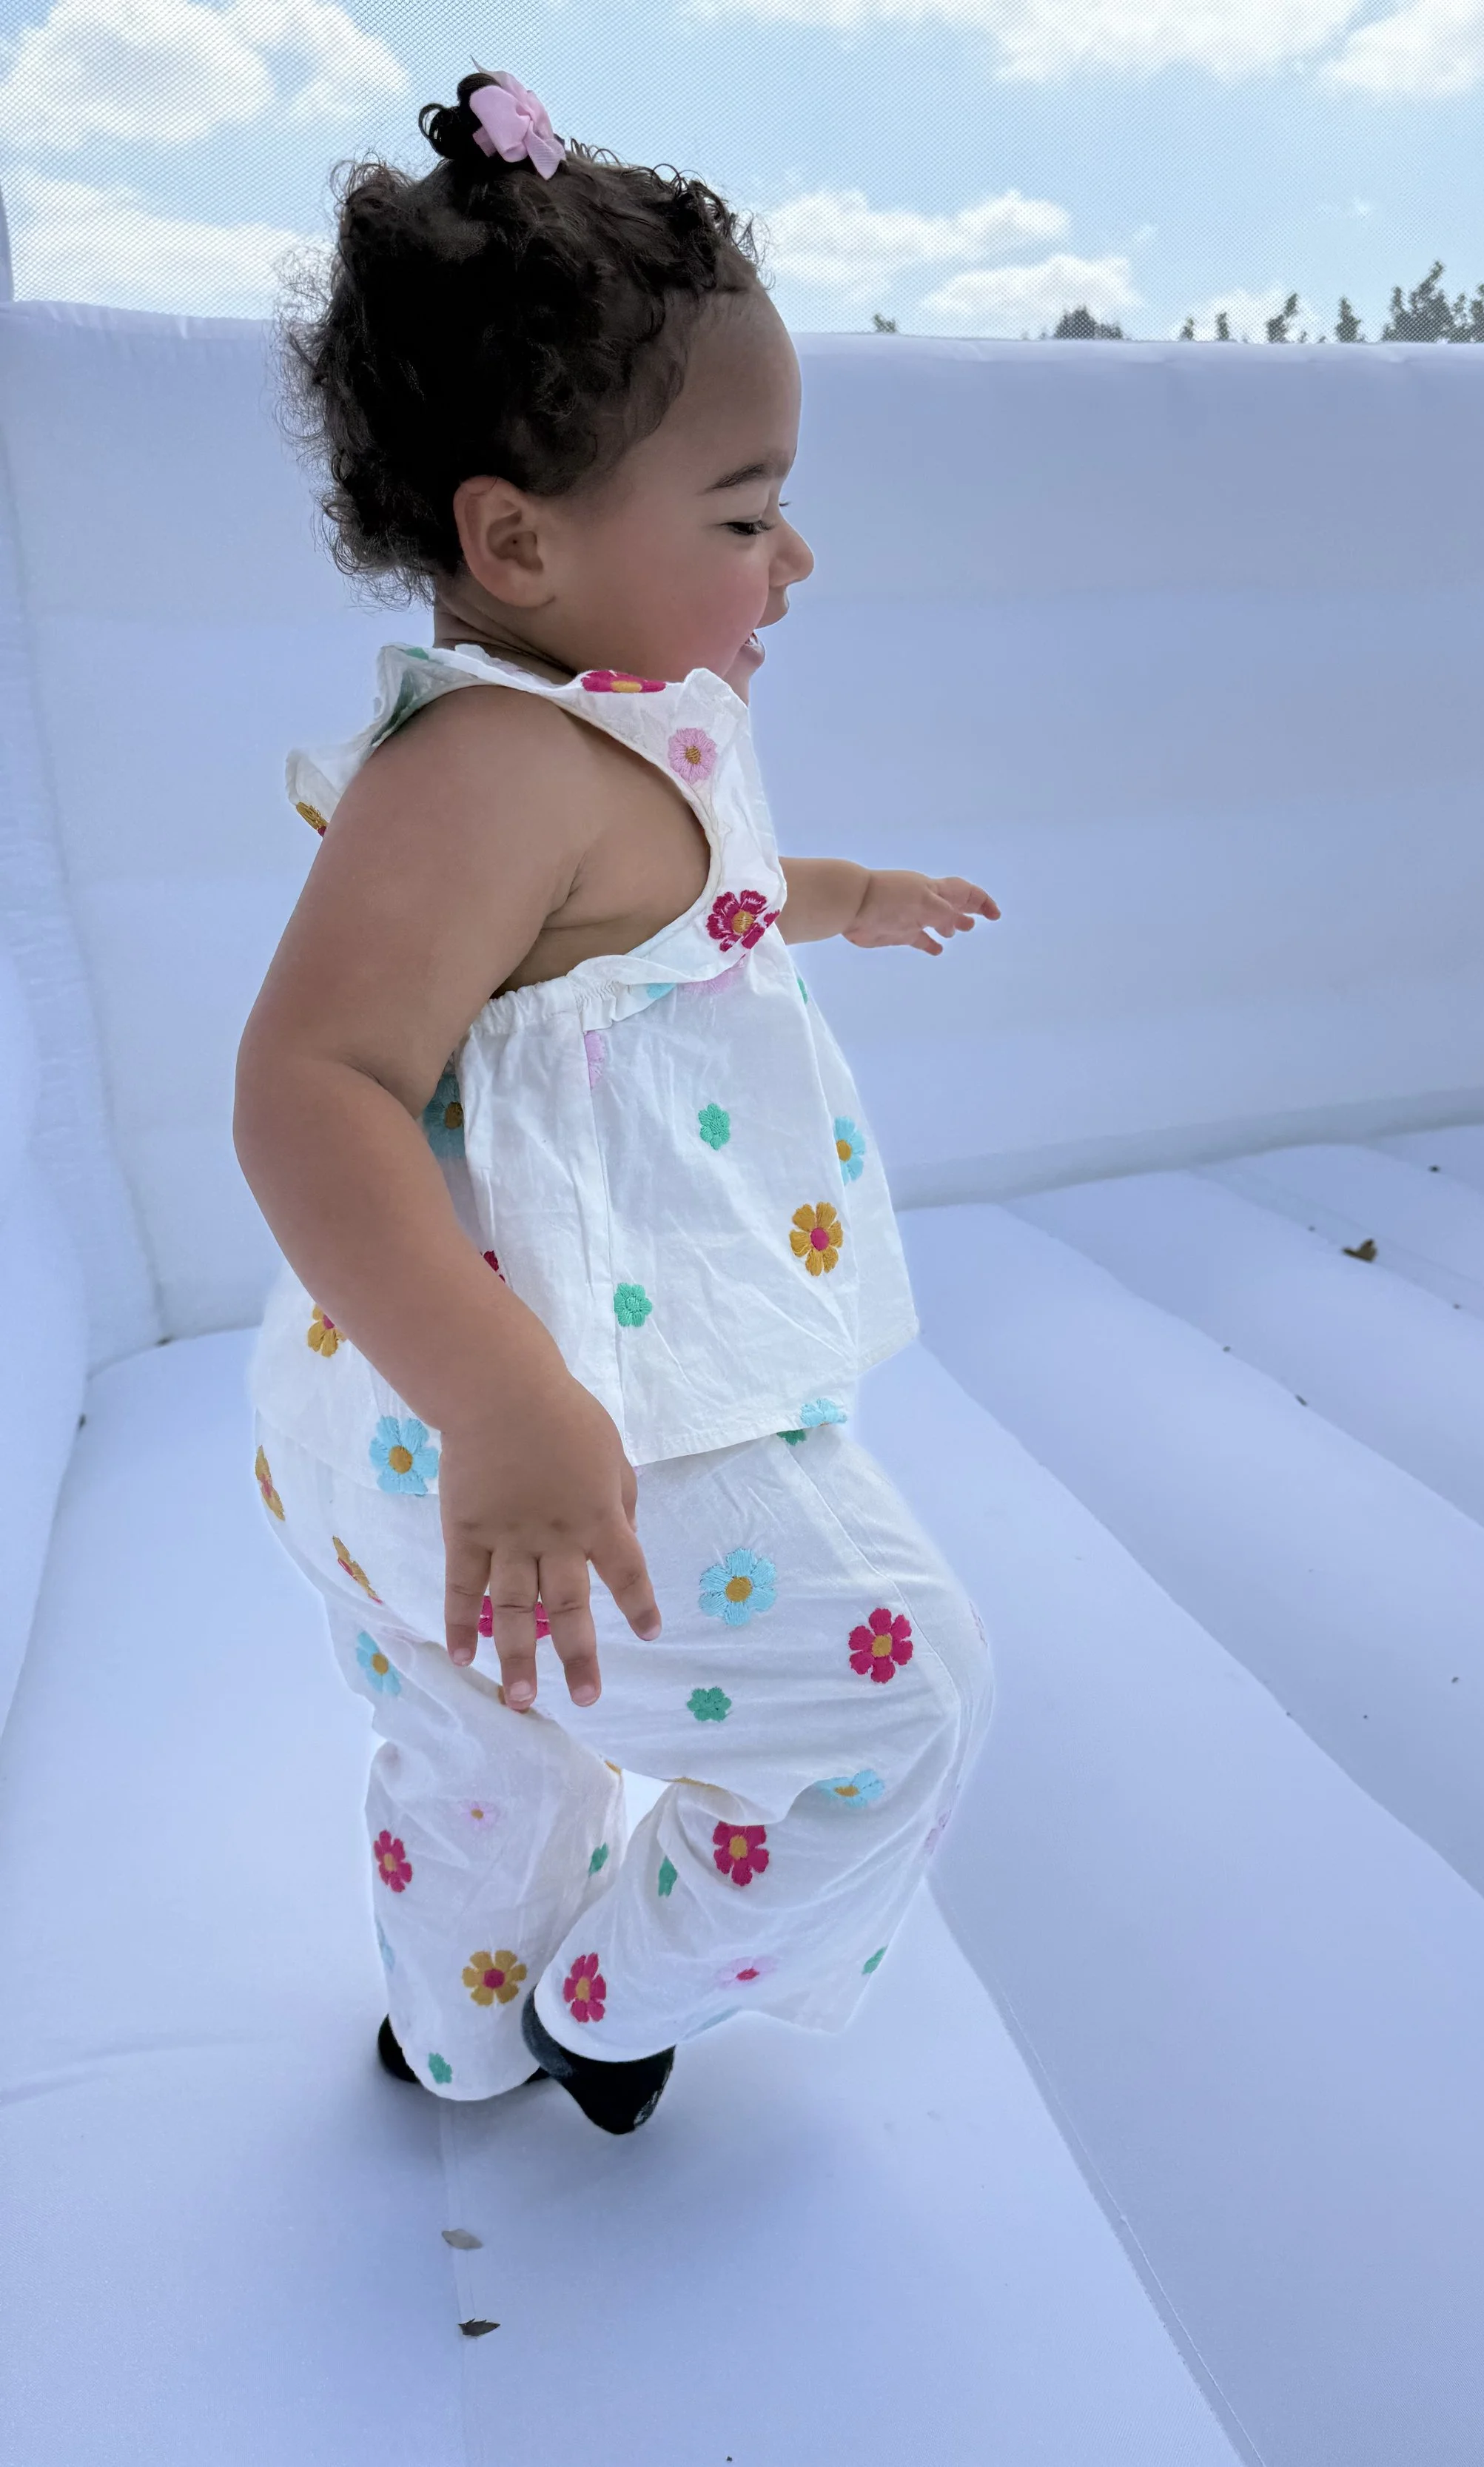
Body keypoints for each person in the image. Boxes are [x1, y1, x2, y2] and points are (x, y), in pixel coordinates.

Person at [235, 71, 997, 2136]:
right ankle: (606, 1988)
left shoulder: (615, 727)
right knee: (895, 1698)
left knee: (491, 1754)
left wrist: (848, 899)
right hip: (503, 1414)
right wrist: (501, 1400)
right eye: (745, 514)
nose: (794, 554)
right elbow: (311, 1082)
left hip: (400, 1442)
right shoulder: (479, 772)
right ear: (515, 536)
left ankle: (457, 2030)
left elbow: (691, 910)